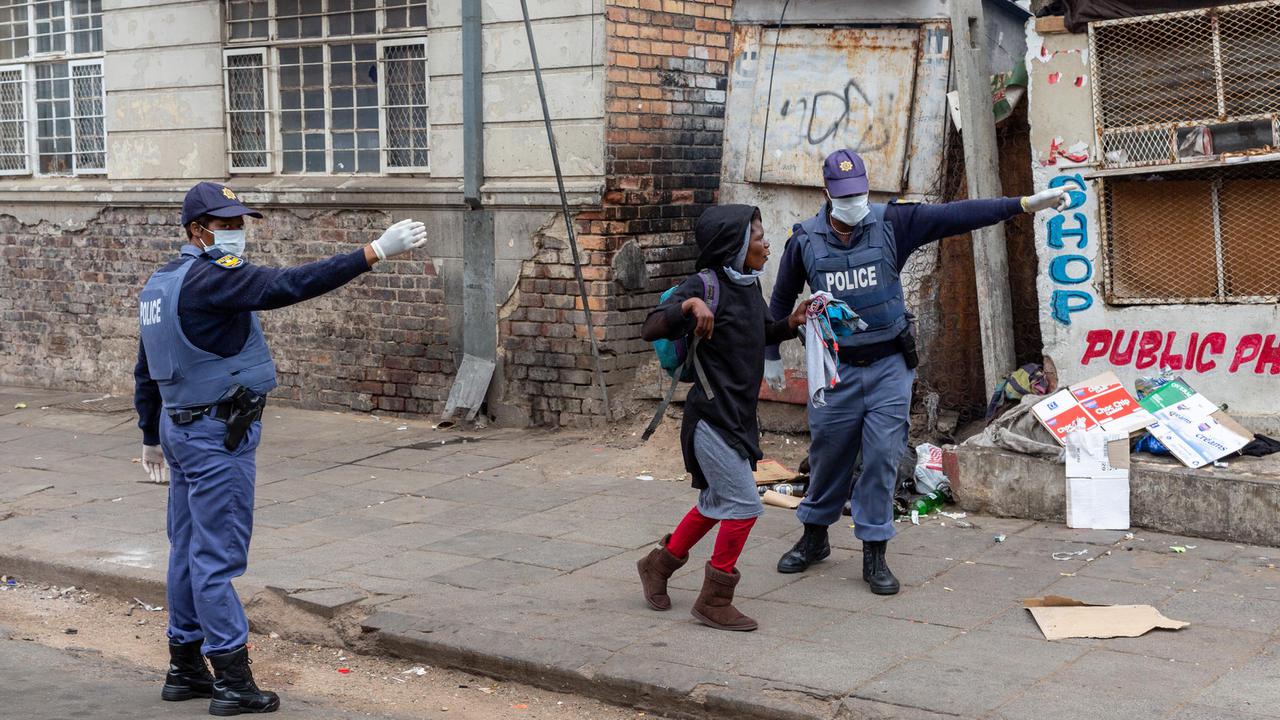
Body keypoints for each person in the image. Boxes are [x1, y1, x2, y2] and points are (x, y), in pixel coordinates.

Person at [134, 182, 428, 715]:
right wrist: (373, 252)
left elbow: (146, 367)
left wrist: (152, 437)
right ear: (196, 231)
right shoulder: (211, 280)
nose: (237, 231)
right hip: (217, 436)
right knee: (216, 557)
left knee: (187, 547)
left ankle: (184, 667)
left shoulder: (162, 284)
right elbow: (288, 284)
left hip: (181, 431)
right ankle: (231, 679)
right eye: (225, 224)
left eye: (239, 222)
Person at [766, 149, 1068, 594]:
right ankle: (814, 538)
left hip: (889, 366)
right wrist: (771, 355)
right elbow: (781, 298)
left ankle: (874, 552)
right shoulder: (805, 241)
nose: (855, 200)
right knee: (829, 455)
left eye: (861, 192)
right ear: (827, 192)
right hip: (835, 370)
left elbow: (956, 216)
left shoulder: (892, 223)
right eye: (845, 194)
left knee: (883, 458)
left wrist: (1022, 204)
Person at [636, 204, 809, 631]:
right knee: (745, 505)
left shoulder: (748, 286)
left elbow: (761, 332)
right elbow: (651, 327)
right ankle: (715, 599)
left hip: (736, 420)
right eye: (757, 237)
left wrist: (792, 322)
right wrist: (690, 305)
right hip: (709, 419)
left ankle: (658, 566)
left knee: (717, 502)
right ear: (733, 245)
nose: (766, 243)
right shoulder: (705, 285)